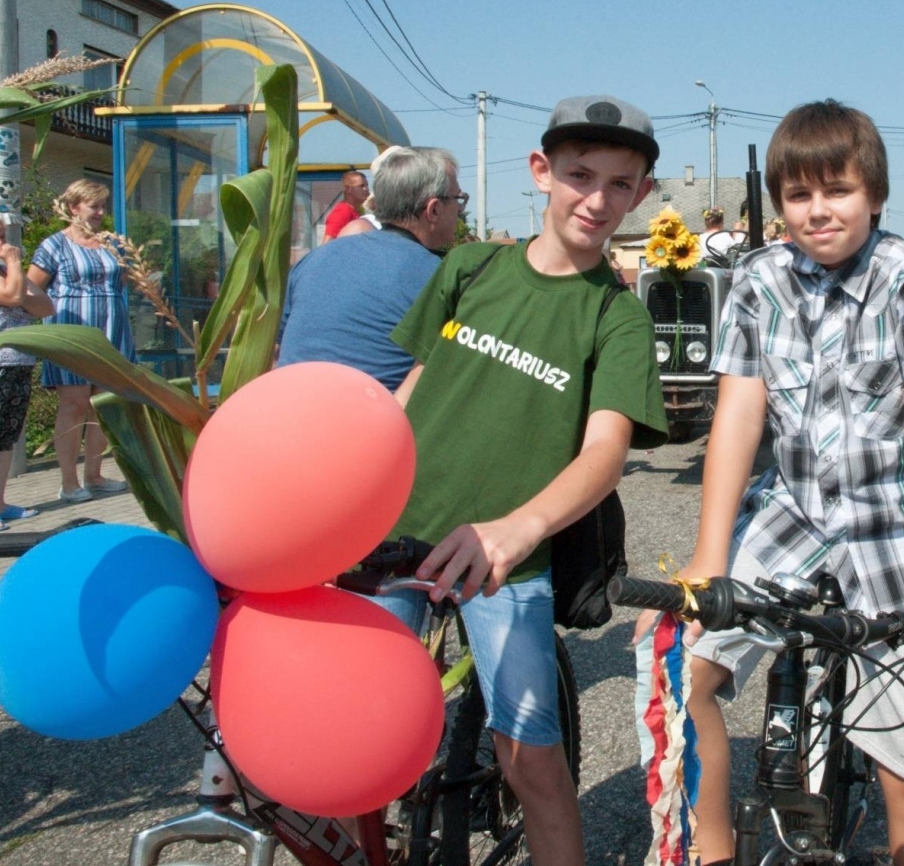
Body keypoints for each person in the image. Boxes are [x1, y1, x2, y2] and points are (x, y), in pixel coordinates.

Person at [654, 100, 904, 866]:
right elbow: (739, 420)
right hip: (790, 519)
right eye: (798, 196)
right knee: (680, 676)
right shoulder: (757, 280)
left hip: (892, 528)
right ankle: (710, 851)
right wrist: (707, 555)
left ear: (874, 195)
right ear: (780, 204)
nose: (818, 211)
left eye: (838, 190)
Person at [386, 95, 667, 866]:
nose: (597, 198)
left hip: (506, 558)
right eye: (580, 174)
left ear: (642, 194)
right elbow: (413, 386)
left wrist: (517, 529)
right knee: (362, 738)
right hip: (393, 531)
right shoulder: (470, 266)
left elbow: (604, 453)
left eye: (619, 183)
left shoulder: (618, 316)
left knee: (531, 761)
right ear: (542, 172)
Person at [278, 146, 463, 390]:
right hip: (373, 421)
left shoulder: (313, 261)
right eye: (458, 200)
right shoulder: (440, 278)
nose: (460, 210)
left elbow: (278, 348)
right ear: (434, 210)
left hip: (286, 411)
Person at [28, 179, 134, 503]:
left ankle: (95, 475)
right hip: (72, 334)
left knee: (101, 406)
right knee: (74, 405)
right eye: (94, 206)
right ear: (74, 208)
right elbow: (32, 288)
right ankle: (69, 482)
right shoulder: (54, 246)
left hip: (111, 332)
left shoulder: (111, 243)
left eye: (104, 207)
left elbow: (125, 280)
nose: (101, 213)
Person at [0, 217, 53, 530]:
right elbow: (13, 298)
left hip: (18, 364)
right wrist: (14, 263)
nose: (0, 244)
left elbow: (45, 307)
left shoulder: (4, 272)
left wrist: (13, 272)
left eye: (2, 237)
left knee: (4, 439)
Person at [319, 169, 369, 244]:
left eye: (366, 185)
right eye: (361, 186)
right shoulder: (343, 211)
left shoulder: (354, 211)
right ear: (348, 189)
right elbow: (326, 244)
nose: (366, 189)